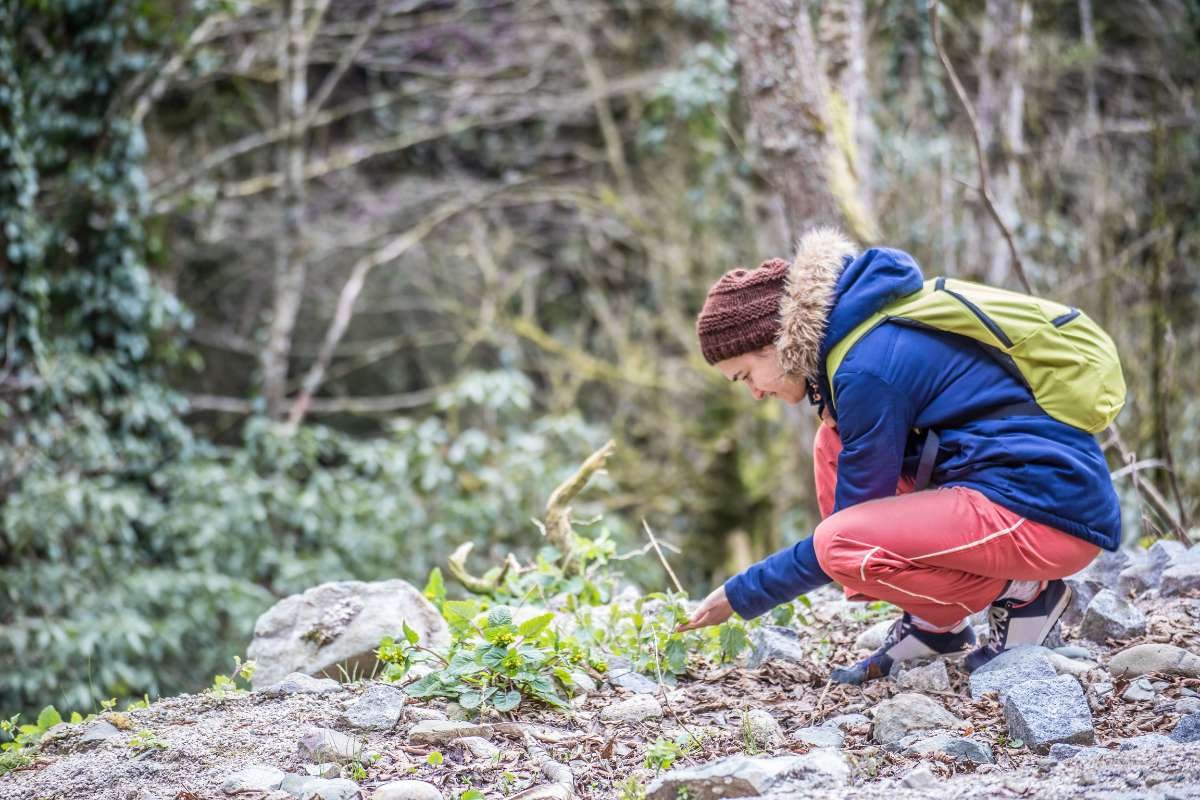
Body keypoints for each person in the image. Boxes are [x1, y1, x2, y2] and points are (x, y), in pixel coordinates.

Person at [676, 227, 1120, 683]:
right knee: (832, 443)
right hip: (1015, 494)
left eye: (746, 375)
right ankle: (935, 626)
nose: (754, 393)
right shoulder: (859, 341)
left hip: (1047, 512)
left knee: (840, 545)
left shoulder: (865, 369)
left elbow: (848, 533)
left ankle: (1024, 590)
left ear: (772, 345)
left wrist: (742, 593)